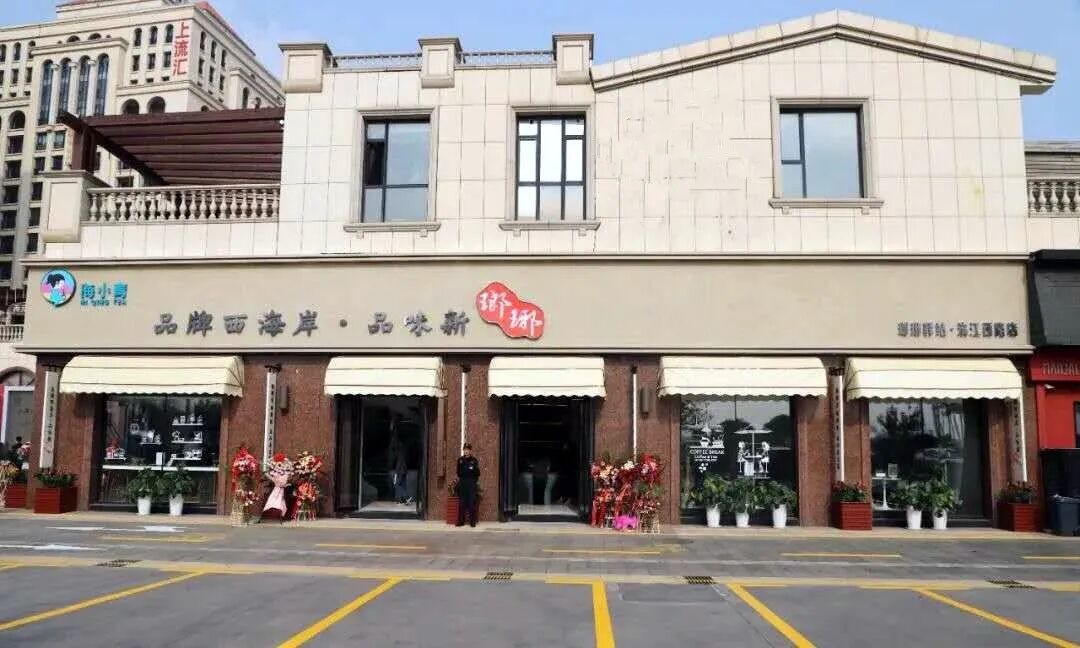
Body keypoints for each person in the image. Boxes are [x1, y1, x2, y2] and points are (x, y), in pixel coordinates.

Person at [456, 443, 480, 527]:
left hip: (471, 483)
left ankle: (472, 522)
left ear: (470, 451)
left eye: (468, 450)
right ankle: (461, 521)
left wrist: (473, 482)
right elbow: (458, 472)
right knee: (462, 503)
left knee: (471, 503)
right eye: (465, 449)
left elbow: (477, 473)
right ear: (463, 450)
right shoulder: (460, 460)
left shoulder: (474, 460)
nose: (466, 451)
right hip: (463, 483)